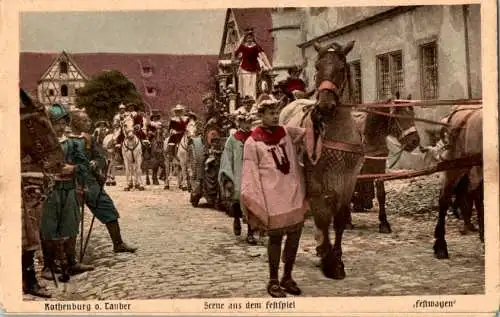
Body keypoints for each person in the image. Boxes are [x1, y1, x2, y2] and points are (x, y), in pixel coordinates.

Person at [240, 94, 308, 298]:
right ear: (261, 115)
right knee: (276, 239)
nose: (276, 116)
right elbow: (250, 175)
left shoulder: (286, 133)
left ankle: (287, 276)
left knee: (295, 236)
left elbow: (308, 133)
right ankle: (273, 280)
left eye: (277, 112)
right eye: (271, 113)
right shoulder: (252, 143)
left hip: (292, 194)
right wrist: (255, 202)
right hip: (272, 199)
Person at [69, 110, 138, 253]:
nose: (88, 123)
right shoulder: (65, 140)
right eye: (84, 121)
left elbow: (101, 157)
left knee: (108, 208)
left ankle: (118, 244)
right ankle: (69, 257)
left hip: (90, 181)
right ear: (75, 122)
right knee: (72, 218)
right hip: (71, 182)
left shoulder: (88, 139)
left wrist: (96, 163)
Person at [40, 104, 94, 282]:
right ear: (49, 124)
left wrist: (74, 168)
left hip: (69, 189)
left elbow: (84, 166)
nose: (61, 127)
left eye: (63, 123)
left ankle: (71, 262)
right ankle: (49, 266)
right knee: (49, 227)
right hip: (49, 191)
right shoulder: (41, 144)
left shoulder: (72, 143)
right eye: (56, 123)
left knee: (70, 225)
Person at [219, 112, 257, 245]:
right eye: (244, 122)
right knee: (237, 200)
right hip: (238, 173)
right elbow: (227, 158)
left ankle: (251, 232)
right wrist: (228, 176)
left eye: (249, 122)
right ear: (239, 123)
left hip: (252, 174)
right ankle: (236, 218)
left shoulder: (255, 138)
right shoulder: (233, 139)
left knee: (252, 203)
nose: (247, 125)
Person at [233, 28, 272, 100]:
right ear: (245, 38)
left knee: (252, 88)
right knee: (245, 87)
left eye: (250, 37)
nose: (249, 38)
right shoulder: (243, 46)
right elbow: (236, 52)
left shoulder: (256, 47)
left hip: (254, 69)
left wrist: (268, 66)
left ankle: (252, 101)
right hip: (244, 69)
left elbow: (263, 56)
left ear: (253, 37)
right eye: (247, 37)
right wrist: (241, 39)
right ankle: (245, 101)